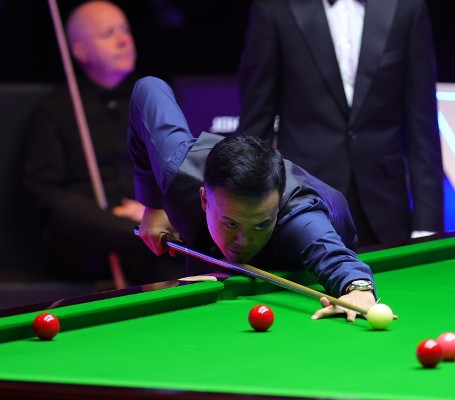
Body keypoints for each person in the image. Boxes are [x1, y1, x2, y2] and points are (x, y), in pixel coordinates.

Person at [131, 76, 378, 320]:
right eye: (231, 224)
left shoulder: (300, 220)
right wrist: (153, 205)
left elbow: (335, 258)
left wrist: (358, 289)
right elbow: (148, 88)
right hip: (208, 245)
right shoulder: (178, 171)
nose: (244, 241)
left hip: (295, 254)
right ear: (204, 199)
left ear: (278, 204)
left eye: (260, 225)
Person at [237, 0, 444, 247]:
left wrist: (427, 226)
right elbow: (257, 123)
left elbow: (422, 125)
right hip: (303, 201)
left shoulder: (406, 6)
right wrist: (247, 216)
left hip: (386, 209)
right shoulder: (275, 8)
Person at [22, 1, 184, 284]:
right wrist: (117, 222)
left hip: (146, 244)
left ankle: (155, 232)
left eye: (125, 30)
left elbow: (179, 170)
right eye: (108, 34)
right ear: (80, 51)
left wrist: (151, 209)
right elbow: (42, 192)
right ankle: (152, 233)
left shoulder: (153, 100)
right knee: (64, 212)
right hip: (86, 244)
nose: (123, 41)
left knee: (174, 229)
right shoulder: (56, 106)